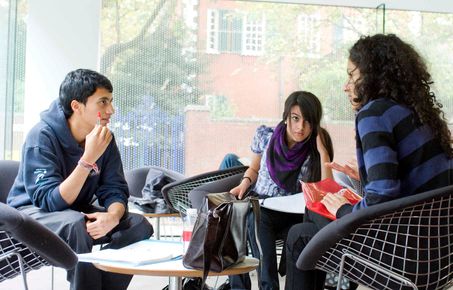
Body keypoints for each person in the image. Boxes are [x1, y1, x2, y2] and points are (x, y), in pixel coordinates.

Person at [285, 34, 453, 290]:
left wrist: (343, 210)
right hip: (441, 257)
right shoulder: (419, 113)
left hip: (403, 256)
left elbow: (383, 196)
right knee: (309, 226)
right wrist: (363, 177)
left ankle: (338, 280)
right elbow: (413, 185)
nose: (346, 85)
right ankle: (337, 282)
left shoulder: (373, 113)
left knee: (301, 235)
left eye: (352, 76)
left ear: (373, 76)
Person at [7, 69, 153, 290]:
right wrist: (88, 160)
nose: (111, 110)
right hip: (31, 212)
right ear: (76, 106)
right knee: (78, 226)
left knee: (139, 225)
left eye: (111, 102)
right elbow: (50, 201)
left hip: (75, 210)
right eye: (102, 102)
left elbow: (114, 188)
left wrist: (113, 216)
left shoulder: (103, 136)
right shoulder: (41, 136)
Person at [189, 91, 334, 290]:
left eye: (308, 121)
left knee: (260, 219)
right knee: (254, 217)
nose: (301, 127)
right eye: (295, 118)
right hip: (264, 206)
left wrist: (323, 152)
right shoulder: (265, 136)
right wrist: (245, 183)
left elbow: (327, 188)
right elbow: (254, 168)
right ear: (286, 116)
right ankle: (266, 286)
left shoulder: (315, 148)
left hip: (294, 213)